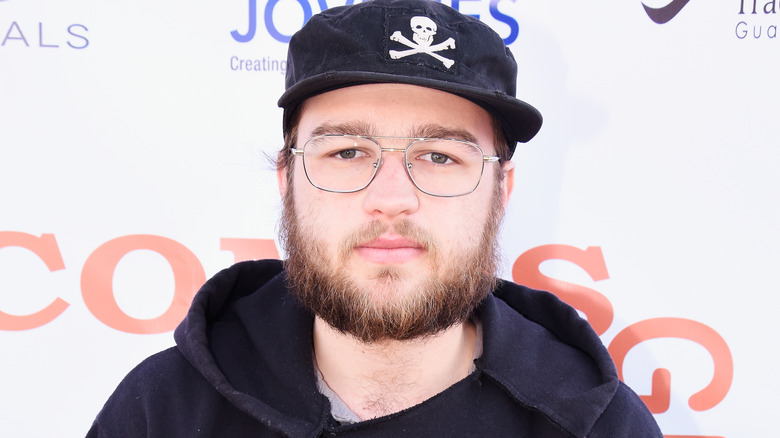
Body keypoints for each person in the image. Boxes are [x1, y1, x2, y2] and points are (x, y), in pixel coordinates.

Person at [87, 0, 663, 436]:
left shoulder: (599, 427)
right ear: (287, 180)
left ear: (500, 189)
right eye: (346, 152)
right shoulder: (163, 410)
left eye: (439, 157)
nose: (391, 197)